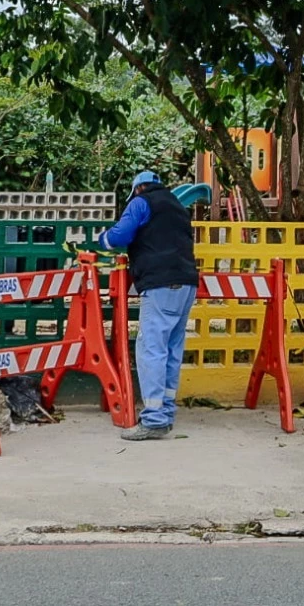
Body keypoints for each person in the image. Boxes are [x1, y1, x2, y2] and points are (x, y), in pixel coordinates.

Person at [101, 171, 198, 441]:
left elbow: (120, 236)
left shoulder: (141, 203)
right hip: (187, 284)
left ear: (138, 188)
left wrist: (102, 239)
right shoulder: (178, 206)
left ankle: (154, 420)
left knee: (152, 350)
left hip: (161, 285)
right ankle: (166, 413)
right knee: (172, 349)